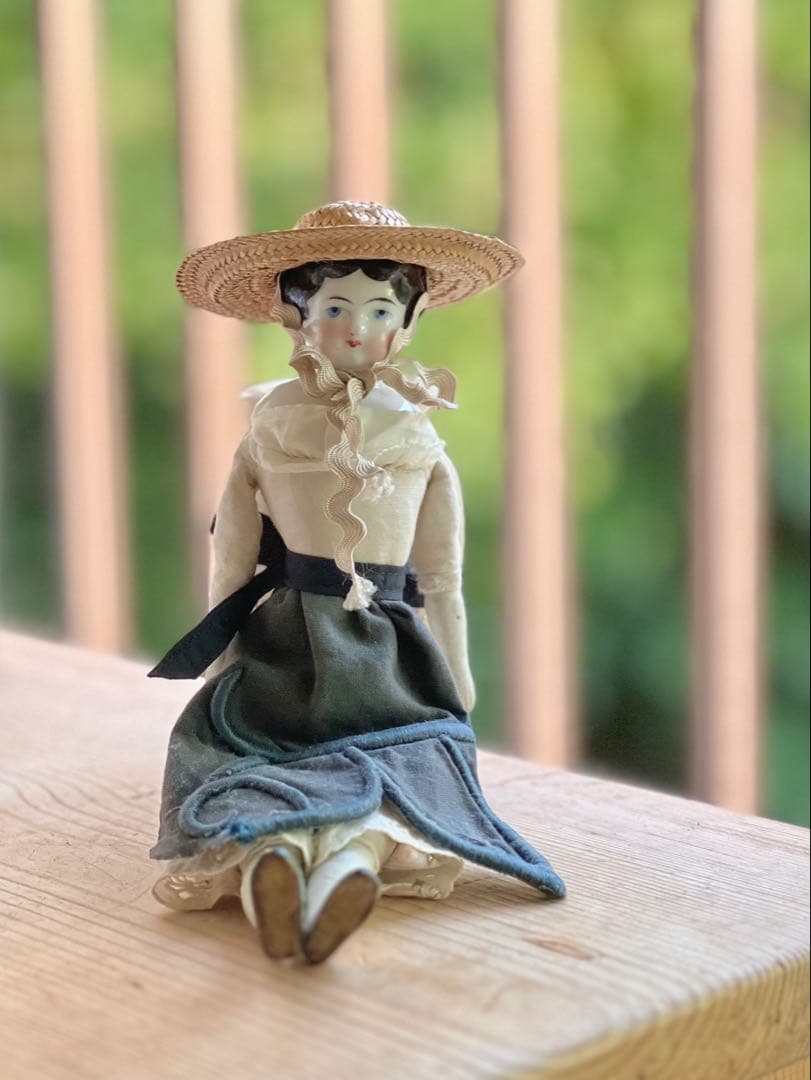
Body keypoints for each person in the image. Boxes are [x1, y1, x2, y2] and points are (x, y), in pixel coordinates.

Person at [149, 200, 565, 964]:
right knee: (401, 758)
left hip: (292, 643)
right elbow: (430, 575)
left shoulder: (310, 425)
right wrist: (455, 679)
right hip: (380, 652)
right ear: (295, 317)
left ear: (407, 324)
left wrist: (222, 659)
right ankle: (314, 861)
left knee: (260, 758)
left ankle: (305, 861)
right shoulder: (375, 429)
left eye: (377, 310)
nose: (354, 328)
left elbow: (436, 571)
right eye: (335, 307)